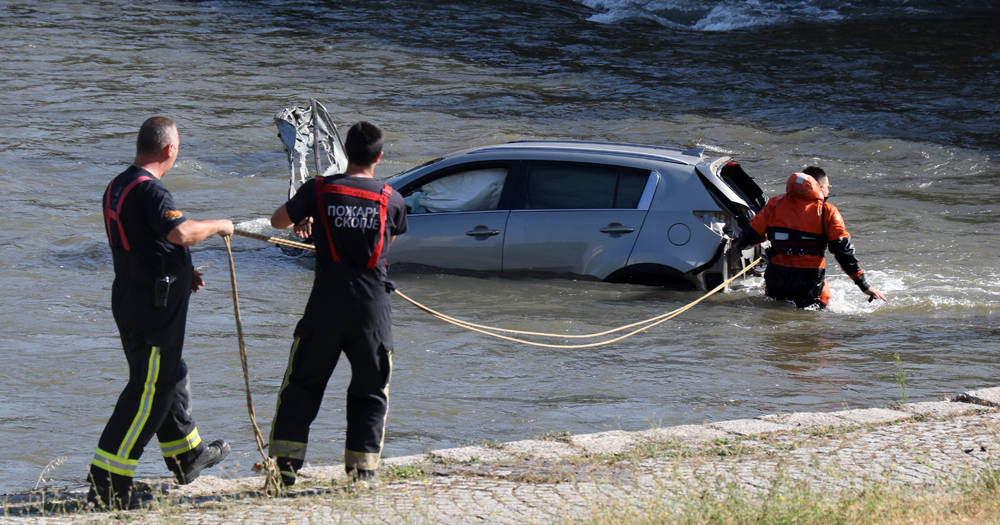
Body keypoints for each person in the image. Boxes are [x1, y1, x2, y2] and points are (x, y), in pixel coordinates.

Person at [89, 116, 234, 509]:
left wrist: (183, 270)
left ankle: (187, 455)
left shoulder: (117, 184)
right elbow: (181, 233)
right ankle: (107, 486)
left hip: (133, 296)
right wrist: (220, 224)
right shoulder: (152, 191)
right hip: (152, 309)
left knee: (168, 377)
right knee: (149, 391)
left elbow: (144, 244)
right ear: (170, 150)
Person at [267, 121, 408, 486]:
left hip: (325, 306)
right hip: (371, 309)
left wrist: (309, 214)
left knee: (301, 386)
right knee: (371, 390)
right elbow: (391, 235)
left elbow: (277, 221)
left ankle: (284, 471)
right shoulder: (391, 198)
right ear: (379, 156)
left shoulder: (319, 189)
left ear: (345, 151)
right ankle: (362, 473)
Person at [736, 166, 887, 309]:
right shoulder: (828, 212)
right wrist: (864, 286)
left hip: (777, 282)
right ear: (819, 188)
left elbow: (751, 236)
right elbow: (843, 253)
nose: (828, 190)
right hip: (809, 287)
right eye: (827, 187)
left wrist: (737, 245)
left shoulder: (775, 204)